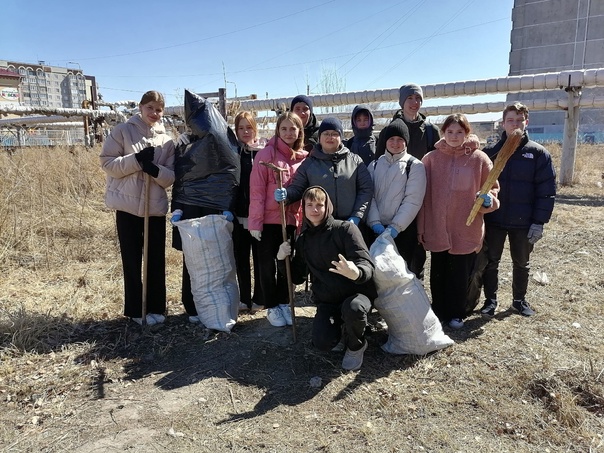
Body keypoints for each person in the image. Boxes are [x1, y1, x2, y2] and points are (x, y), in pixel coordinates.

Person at [277, 186, 377, 371]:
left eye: (319, 205)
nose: (315, 209)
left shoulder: (346, 230)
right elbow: (298, 277)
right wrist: (282, 259)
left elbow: (367, 264)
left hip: (356, 295)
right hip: (328, 300)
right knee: (322, 343)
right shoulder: (304, 239)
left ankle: (356, 345)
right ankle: (340, 330)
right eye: (309, 205)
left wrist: (356, 273)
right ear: (304, 208)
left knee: (353, 309)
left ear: (327, 206)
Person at [99, 90, 175, 326]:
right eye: (150, 107)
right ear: (141, 108)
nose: (154, 113)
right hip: (127, 206)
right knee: (132, 259)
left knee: (155, 259)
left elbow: (171, 176)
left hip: (154, 208)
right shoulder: (122, 131)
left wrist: (155, 170)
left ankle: (156, 307)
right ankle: (135, 309)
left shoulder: (167, 139)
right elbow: (107, 163)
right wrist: (136, 160)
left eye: (159, 109)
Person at [418, 113, 499, 329]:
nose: (454, 136)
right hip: (437, 227)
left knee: (460, 273)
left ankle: (456, 313)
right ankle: (439, 310)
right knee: (438, 272)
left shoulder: (479, 159)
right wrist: (422, 226)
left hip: (466, 227)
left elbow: (492, 187)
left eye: (459, 132)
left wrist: (488, 200)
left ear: (467, 133)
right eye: (450, 132)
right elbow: (423, 196)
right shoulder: (431, 159)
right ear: (443, 133)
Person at [479, 102, 557, 318]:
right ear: (503, 123)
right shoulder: (491, 152)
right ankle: (490, 301)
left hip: (524, 221)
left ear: (526, 122)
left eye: (519, 120)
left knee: (522, 263)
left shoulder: (538, 154)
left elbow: (546, 191)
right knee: (490, 261)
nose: (515, 124)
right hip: (494, 218)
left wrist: (539, 221)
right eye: (510, 120)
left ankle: (519, 301)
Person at [171, 90, 239, 324]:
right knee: (195, 257)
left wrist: (228, 206)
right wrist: (177, 207)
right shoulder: (186, 144)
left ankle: (212, 304)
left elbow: (231, 172)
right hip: (194, 207)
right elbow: (180, 178)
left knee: (212, 255)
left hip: (213, 208)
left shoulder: (219, 140)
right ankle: (193, 305)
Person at [249, 112, 309, 327]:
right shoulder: (266, 155)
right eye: (284, 129)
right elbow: (256, 191)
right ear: (277, 130)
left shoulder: (303, 159)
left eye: (293, 129)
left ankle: (284, 301)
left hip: (290, 220)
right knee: (267, 265)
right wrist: (255, 223)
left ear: (299, 131)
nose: (288, 133)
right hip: (267, 221)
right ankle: (271, 305)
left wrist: (301, 223)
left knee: (287, 264)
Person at [376, 83, 440, 279]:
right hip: (393, 195)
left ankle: (415, 281)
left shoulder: (430, 131)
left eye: (418, 99)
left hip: (421, 193)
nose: (415, 103)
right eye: (410, 98)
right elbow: (380, 162)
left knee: (417, 242)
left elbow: (439, 158)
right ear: (402, 101)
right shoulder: (389, 129)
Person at [274, 117, 373, 225]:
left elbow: (366, 189)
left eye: (334, 134)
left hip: (350, 225)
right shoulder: (309, 164)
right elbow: (298, 188)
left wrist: (357, 215)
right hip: (319, 225)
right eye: (326, 133)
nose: (330, 137)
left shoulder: (355, 161)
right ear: (320, 138)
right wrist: (287, 195)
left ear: (341, 138)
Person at [366, 119, 426, 277]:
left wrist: (395, 227)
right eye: (391, 139)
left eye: (400, 139)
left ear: (406, 142)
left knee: (400, 274)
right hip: (375, 230)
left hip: (402, 232)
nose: (395, 143)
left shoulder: (415, 166)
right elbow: (368, 196)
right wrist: (374, 223)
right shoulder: (374, 165)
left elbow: (412, 200)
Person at [231, 111, 264, 312]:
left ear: (255, 129)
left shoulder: (261, 152)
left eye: (248, 127)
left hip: (258, 215)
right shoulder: (233, 152)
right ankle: (244, 298)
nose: (245, 131)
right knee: (241, 257)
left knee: (260, 258)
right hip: (237, 214)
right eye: (241, 128)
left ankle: (260, 297)